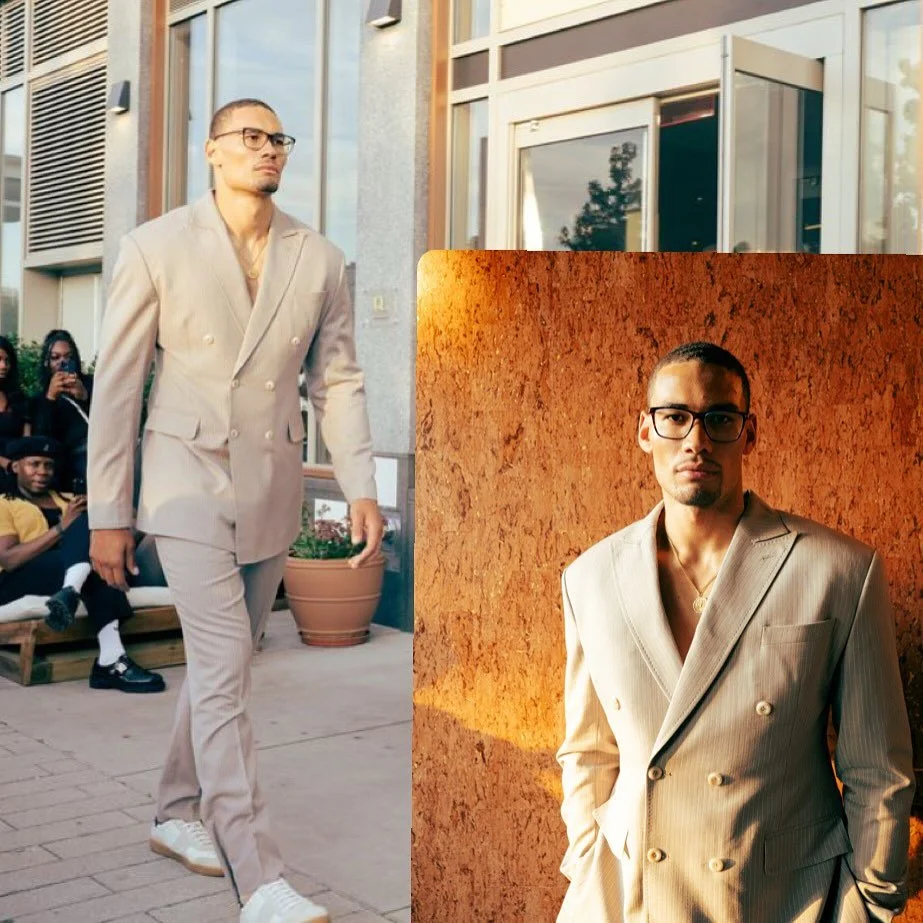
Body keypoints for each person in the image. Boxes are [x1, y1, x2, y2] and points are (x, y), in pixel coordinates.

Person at [87, 97, 383, 923]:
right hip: (181, 484)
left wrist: (359, 484)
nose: (268, 149)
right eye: (250, 137)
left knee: (227, 666)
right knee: (222, 672)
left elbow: (338, 381)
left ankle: (174, 811)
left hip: (271, 490)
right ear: (212, 152)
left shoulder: (318, 256)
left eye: (277, 138)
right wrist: (109, 510)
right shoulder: (154, 246)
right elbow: (117, 387)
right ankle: (259, 878)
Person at [556, 341, 914, 923]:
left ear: (748, 434)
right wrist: (586, 860)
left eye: (718, 419)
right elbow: (587, 751)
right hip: (627, 898)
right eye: (675, 418)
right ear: (644, 431)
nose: (695, 441)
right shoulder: (591, 578)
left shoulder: (839, 570)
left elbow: (879, 768)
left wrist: (870, 905)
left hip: (780, 901)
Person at [0, 436, 164, 692]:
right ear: (15, 467)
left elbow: (133, 521)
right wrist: (61, 528)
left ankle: (75, 598)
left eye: (48, 465)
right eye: (34, 464)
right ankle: (106, 658)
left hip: (77, 574)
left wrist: (112, 515)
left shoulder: (69, 499)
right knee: (83, 529)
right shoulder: (4, 503)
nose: (43, 472)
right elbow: (9, 560)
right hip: (20, 578)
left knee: (94, 530)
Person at [30, 329, 93, 492]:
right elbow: (42, 439)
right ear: (46, 362)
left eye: (68, 357)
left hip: (98, 450)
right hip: (68, 460)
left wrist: (85, 397)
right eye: (55, 358)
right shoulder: (39, 398)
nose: (62, 363)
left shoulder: (91, 385)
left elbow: (112, 418)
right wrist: (50, 399)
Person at [0, 336, 30, 469]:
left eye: (7, 361)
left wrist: (22, 463)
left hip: (17, 465)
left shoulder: (17, 397)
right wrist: (7, 464)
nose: (4, 366)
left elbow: (27, 439)